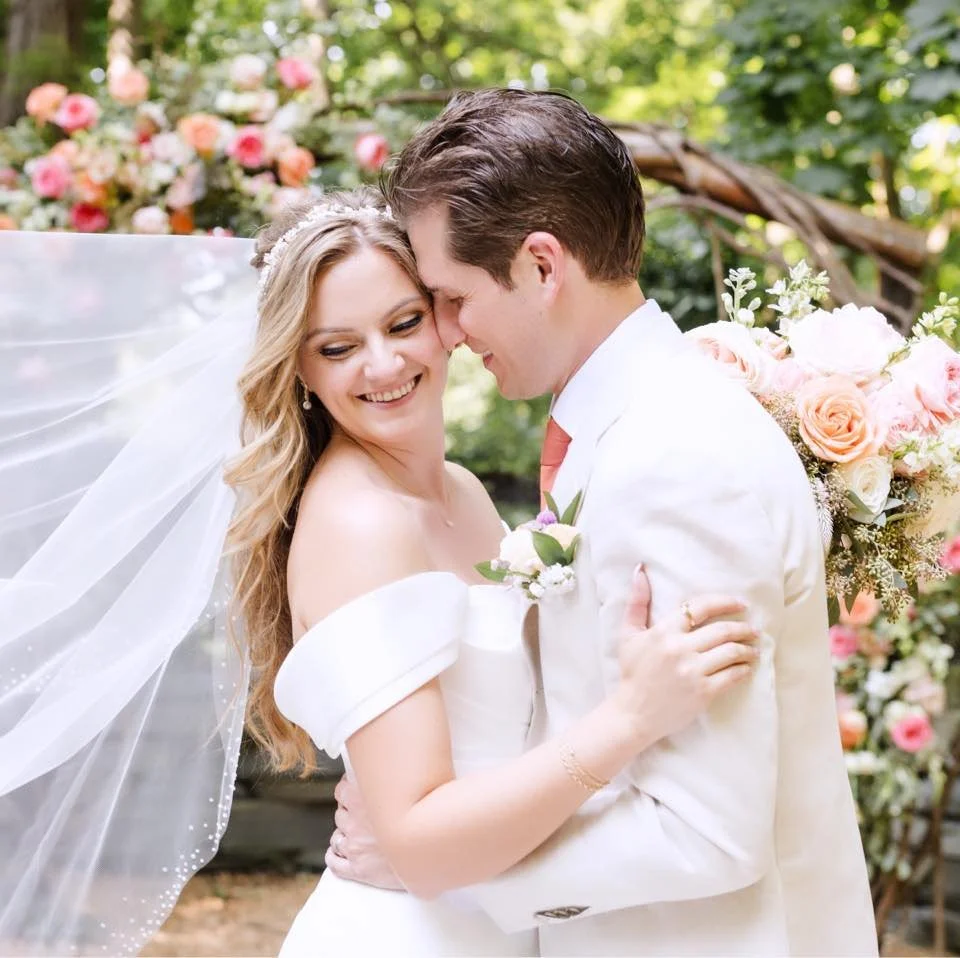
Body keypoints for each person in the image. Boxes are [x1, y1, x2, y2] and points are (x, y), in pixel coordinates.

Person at [0, 190, 756, 956]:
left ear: (448, 319)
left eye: (403, 323)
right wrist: (629, 722)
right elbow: (420, 842)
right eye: (338, 348)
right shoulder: (360, 523)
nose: (385, 364)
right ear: (299, 367)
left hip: (498, 915)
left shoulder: (460, 491)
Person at [326, 90, 879, 955]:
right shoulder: (635, 425)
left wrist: (452, 871)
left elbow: (706, 831)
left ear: (543, 266)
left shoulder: (677, 457)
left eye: (453, 297)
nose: (447, 333)